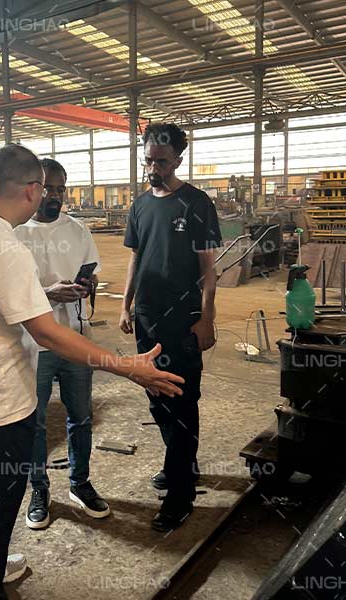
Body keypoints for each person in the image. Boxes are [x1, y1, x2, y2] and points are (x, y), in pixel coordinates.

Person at [0, 143, 184, 599]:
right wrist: (126, 366)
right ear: (32, 190)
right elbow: (48, 334)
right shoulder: (1, 244)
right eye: (43, 189)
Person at [121, 122, 221, 532]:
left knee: (181, 403)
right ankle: (179, 461)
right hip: (146, 317)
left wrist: (207, 318)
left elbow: (208, 270)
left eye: (161, 161)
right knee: (157, 398)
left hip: (183, 323)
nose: (153, 167)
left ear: (178, 160)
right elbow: (134, 256)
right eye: (148, 159)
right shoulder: (140, 205)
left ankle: (180, 494)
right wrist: (127, 304)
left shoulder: (198, 203)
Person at [12, 157, 109, 530]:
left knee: (80, 416)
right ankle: (39, 489)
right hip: (33, 343)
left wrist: (88, 285)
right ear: (32, 189)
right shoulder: (15, 234)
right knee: (34, 422)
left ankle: (79, 483)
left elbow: (91, 268)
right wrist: (48, 292)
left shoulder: (78, 231)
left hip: (74, 338)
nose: (54, 196)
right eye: (48, 188)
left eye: (60, 188)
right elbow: (6, 294)